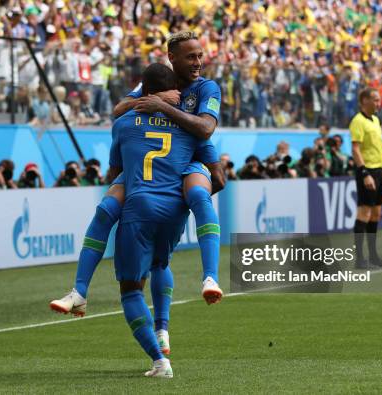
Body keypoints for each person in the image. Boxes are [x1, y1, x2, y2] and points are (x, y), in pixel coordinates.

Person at [50, 31, 224, 323]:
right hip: (150, 167)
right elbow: (119, 110)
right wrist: (154, 98)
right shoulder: (157, 80)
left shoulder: (207, 88)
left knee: (197, 195)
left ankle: (210, 278)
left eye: (200, 56)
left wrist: (162, 106)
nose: (198, 62)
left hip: (188, 160)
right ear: (172, 58)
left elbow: (206, 129)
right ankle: (79, 291)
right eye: (191, 56)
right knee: (106, 210)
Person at [108, 63, 215, 378]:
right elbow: (209, 149)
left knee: (130, 288)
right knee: (160, 264)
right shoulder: (188, 123)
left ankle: (159, 361)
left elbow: (116, 171)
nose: (196, 63)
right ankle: (170, 320)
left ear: (143, 89)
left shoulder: (125, 123)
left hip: (140, 206)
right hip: (174, 207)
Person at [350, 88, 382, 269]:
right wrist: (364, 173)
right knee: (364, 213)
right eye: (375, 99)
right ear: (364, 100)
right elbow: (356, 149)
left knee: (375, 213)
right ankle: (359, 259)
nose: (378, 102)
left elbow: (377, 147)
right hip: (367, 172)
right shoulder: (357, 121)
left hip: (379, 170)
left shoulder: (376, 120)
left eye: (378, 99)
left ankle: (373, 255)